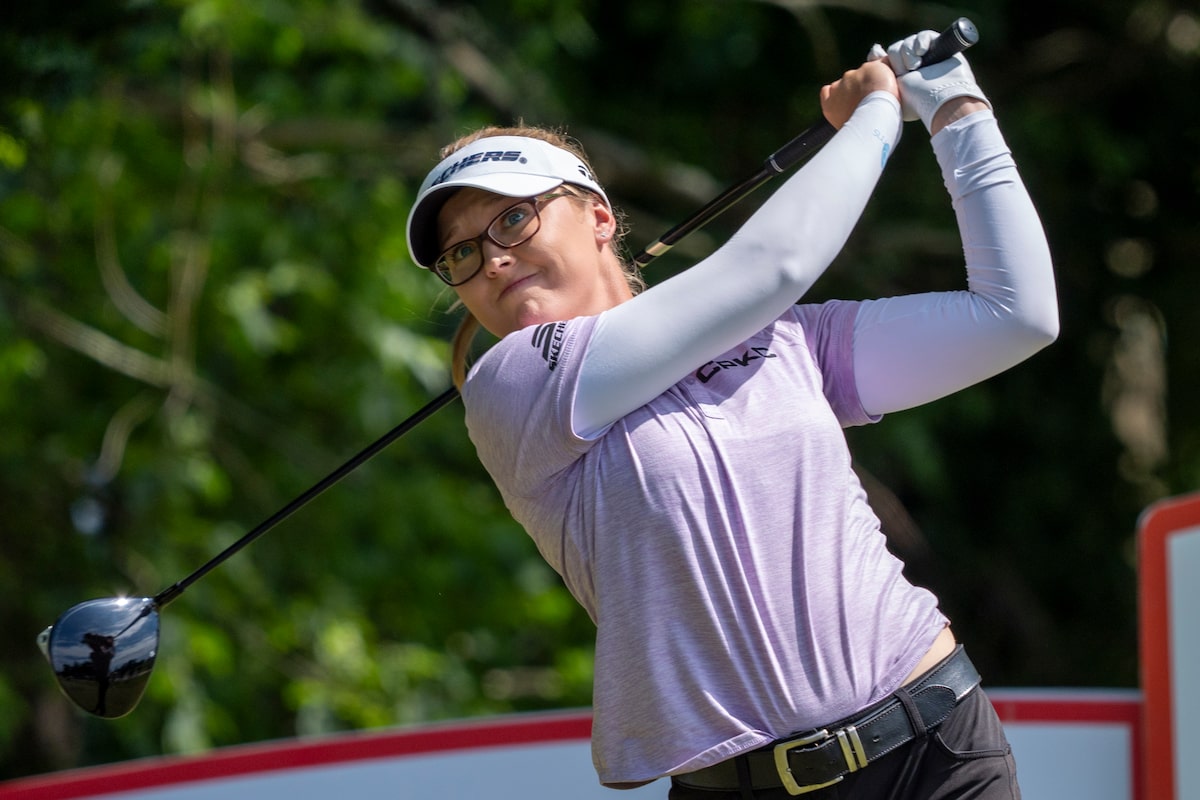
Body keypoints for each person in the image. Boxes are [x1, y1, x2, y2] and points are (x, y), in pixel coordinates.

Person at [404, 30, 1056, 800]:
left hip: (934, 749)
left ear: (599, 218)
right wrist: (878, 111)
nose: (493, 260)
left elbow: (1016, 317)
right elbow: (770, 266)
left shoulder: (783, 340)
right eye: (462, 256)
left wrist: (955, 105)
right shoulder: (511, 387)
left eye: (511, 221)